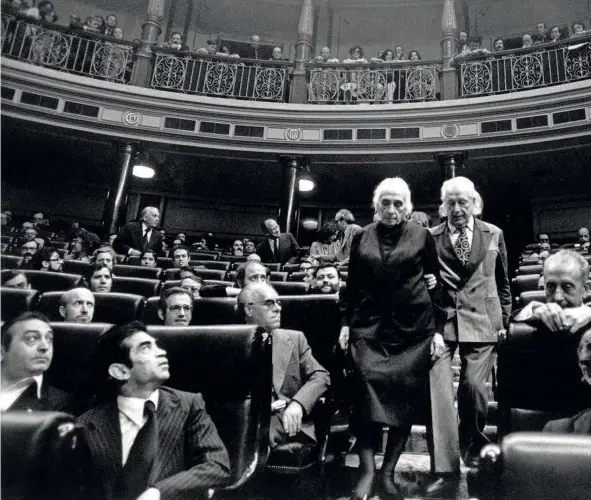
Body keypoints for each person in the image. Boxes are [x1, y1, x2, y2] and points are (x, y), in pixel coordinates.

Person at [338, 177, 443, 500]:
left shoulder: (422, 235)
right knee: (365, 392)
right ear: (376, 206)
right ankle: (368, 470)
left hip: (413, 330)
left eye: (399, 203)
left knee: (404, 399)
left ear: (408, 207)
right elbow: (352, 285)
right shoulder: (361, 236)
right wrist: (345, 323)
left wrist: (438, 331)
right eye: (386, 202)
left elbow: (435, 283)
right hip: (369, 327)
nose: (392, 209)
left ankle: (388, 472)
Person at [78, 321, 231, 499]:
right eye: (146, 348)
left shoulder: (189, 405)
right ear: (120, 371)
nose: (162, 352)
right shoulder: (85, 425)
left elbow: (217, 465)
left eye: (156, 345)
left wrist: (158, 493)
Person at [426, 177, 512, 494]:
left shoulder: (494, 233)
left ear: (474, 202)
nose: (457, 208)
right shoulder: (431, 236)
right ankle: (444, 466)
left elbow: (502, 282)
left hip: (483, 318)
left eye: (463, 202)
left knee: (474, 388)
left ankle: (472, 441)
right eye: (451, 202)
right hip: (443, 321)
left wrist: (504, 318)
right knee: (439, 393)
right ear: (443, 206)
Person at [239, 283, 330, 448]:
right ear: (248, 310)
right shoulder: (229, 342)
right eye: (269, 303)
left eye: (278, 303)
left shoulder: (295, 339)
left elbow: (321, 376)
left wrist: (298, 404)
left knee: (256, 434)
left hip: (283, 418)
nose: (277, 309)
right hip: (246, 417)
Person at [513, 250, 591, 334]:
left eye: (567, 287)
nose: (558, 297)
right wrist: (532, 310)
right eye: (551, 286)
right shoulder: (537, 317)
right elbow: (511, 322)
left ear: (585, 289)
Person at [1, 312, 73, 413]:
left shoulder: (61, 403)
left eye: (49, 339)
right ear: (2, 350)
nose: (45, 347)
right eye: (32, 338)